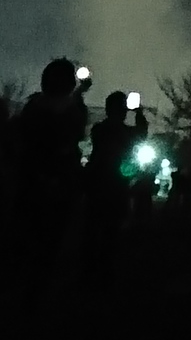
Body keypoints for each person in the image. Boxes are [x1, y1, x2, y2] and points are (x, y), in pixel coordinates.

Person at [12, 59, 89, 279]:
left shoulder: (33, 105)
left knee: (28, 234)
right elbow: (75, 135)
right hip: (57, 179)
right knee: (49, 237)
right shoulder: (73, 110)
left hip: (32, 176)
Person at [81, 91, 142, 283]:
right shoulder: (126, 133)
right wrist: (139, 113)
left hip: (98, 182)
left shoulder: (99, 129)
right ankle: (104, 267)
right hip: (116, 184)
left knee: (93, 227)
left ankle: (89, 266)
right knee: (111, 230)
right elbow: (141, 134)